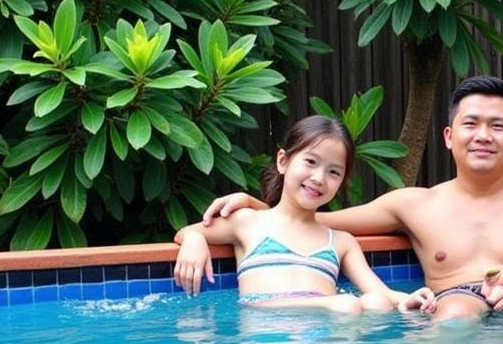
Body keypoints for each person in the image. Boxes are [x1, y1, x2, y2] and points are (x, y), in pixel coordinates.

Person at [184, 77, 503, 328]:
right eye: (470, 124)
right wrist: (253, 207)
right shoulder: (412, 204)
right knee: (454, 318)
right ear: (449, 137)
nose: (483, 135)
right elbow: (314, 214)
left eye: (497, 126)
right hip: (456, 300)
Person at [173, 114, 436, 315]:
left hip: (322, 336)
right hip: (267, 329)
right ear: (283, 161)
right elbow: (186, 231)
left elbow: (380, 292)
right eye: (310, 162)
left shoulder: (341, 241)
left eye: (334, 172)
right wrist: (195, 240)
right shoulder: (248, 221)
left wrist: (411, 299)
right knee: (346, 305)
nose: (319, 178)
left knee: (376, 303)